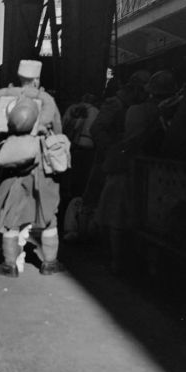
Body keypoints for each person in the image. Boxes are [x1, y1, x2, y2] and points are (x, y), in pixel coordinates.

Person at [97, 69, 178, 274]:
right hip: (151, 170)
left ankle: (116, 260)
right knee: (148, 219)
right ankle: (147, 266)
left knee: (116, 215)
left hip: (126, 166)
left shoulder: (134, 110)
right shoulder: (171, 110)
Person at [0, 59, 65, 277]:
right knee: (48, 214)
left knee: (11, 217)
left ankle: (9, 265)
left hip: (12, 167)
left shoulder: (3, 97)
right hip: (40, 166)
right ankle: (49, 263)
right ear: (37, 78)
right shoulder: (46, 99)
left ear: (20, 76)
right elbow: (58, 129)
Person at [67, 70, 149, 243]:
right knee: (93, 197)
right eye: (142, 91)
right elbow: (97, 129)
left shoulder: (127, 105)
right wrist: (113, 147)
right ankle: (83, 235)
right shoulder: (115, 104)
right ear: (135, 89)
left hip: (119, 159)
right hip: (107, 158)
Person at [61, 93, 98, 200]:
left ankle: (65, 193)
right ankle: (77, 196)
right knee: (82, 174)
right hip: (88, 146)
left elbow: (63, 123)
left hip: (71, 144)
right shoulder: (95, 111)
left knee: (69, 171)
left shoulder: (72, 108)